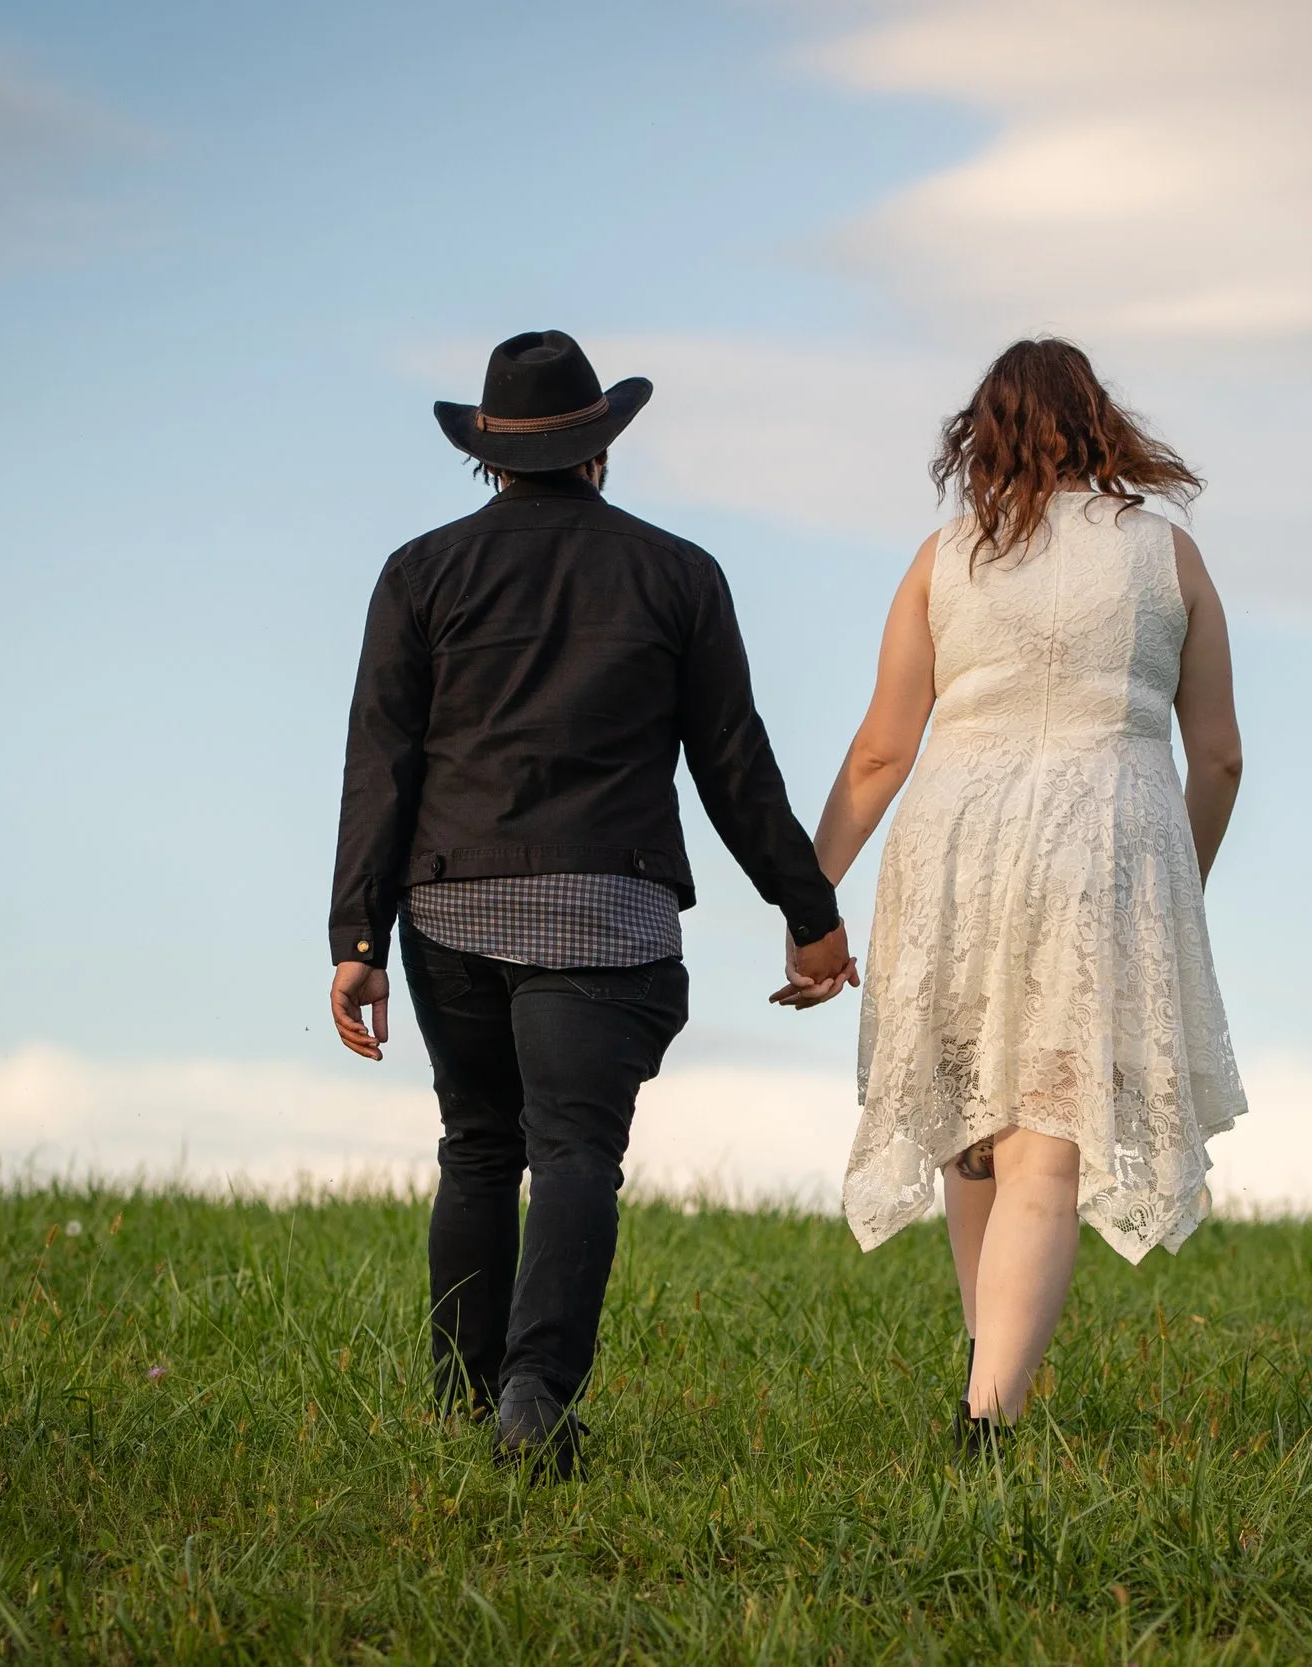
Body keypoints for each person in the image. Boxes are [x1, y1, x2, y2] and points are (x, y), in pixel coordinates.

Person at [327, 330, 854, 1478]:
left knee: (476, 1145)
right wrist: (807, 910)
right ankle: (535, 1392)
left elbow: (383, 761)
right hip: (606, 912)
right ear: (599, 452)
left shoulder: (420, 572)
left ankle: (463, 1400)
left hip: (451, 904)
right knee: (573, 1153)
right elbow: (732, 761)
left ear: (489, 459)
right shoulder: (677, 572)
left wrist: (357, 937)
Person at [816, 338, 1247, 1444]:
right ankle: (988, 1406)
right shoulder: (1167, 557)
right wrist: (1172, 888)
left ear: (983, 433)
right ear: (1101, 425)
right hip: (1104, 844)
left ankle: (985, 1392)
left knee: (976, 1122)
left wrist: (807, 895)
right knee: (1046, 1135)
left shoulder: (942, 558)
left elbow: (879, 753)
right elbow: (1222, 757)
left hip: (957, 844)